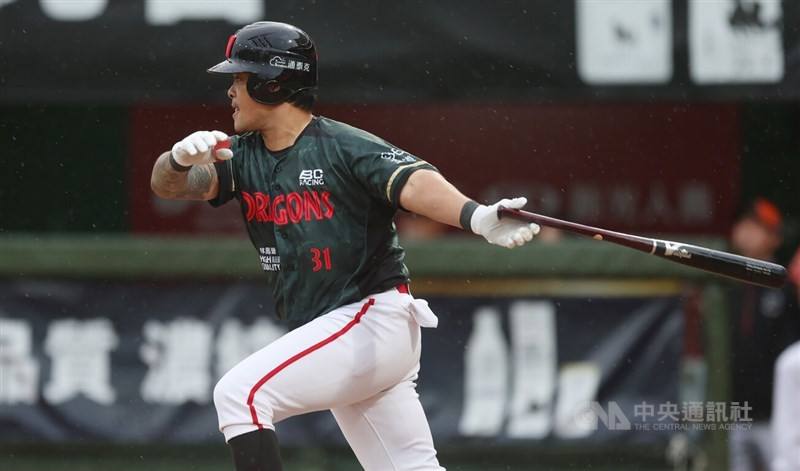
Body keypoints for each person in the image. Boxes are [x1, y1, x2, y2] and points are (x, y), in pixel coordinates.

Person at [149, 21, 539, 471]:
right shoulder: (240, 155)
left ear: (272, 83)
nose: (231, 91)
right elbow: (169, 186)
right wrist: (177, 160)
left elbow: (413, 181)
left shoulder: (341, 145)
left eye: (240, 78)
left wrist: (475, 216)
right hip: (344, 331)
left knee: (240, 395)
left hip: (369, 318)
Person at [726, 198, 799, 471]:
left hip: (777, 413)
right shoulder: (727, 284)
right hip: (736, 412)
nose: (747, 231)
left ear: (775, 238)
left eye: (757, 226)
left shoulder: (786, 285)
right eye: (745, 224)